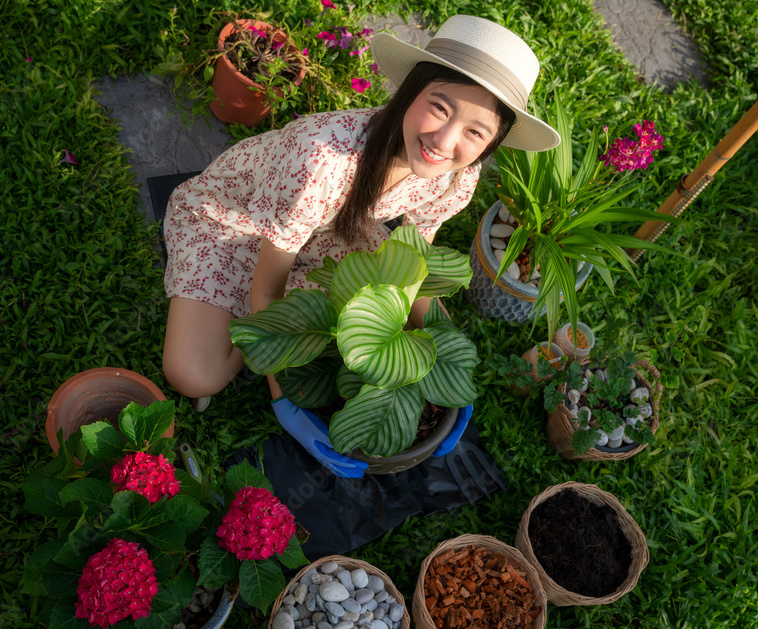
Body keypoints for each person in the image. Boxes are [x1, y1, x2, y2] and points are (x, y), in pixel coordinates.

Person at [161, 15, 560, 476]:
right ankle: (227, 324)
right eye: (440, 107)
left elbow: (415, 266)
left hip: (327, 239)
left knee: (414, 314)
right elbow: (267, 291)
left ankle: (233, 327)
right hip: (236, 227)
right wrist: (283, 396)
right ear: (409, 91)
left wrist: (444, 368)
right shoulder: (321, 159)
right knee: (194, 375)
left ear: (492, 144)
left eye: (476, 131)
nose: (444, 141)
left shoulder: (457, 177)